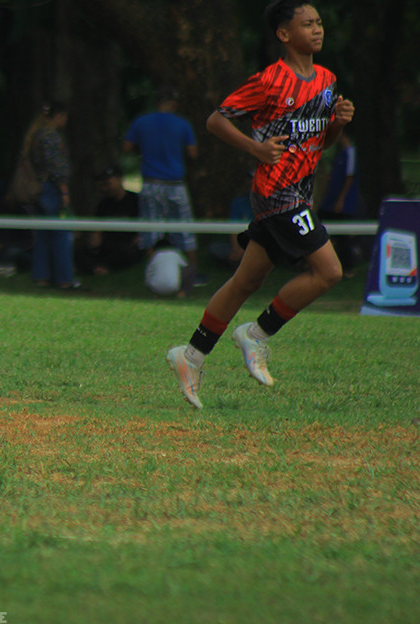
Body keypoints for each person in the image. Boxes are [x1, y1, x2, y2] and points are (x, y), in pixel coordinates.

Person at [167, 0, 354, 410]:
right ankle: (256, 334)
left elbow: (321, 143)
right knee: (329, 271)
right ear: (284, 34)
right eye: (307, 24)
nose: (317, 29)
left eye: (319, 22)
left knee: (245, 281)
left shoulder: (327, 80)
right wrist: (256, 148)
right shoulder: (270, 80)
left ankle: (191, 355)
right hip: (278, 193)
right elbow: (216, 120)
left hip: (299, 193)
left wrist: (338, 122)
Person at [123, 86, 201, 274]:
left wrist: (143, 152)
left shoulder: (141, 122)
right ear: (173, 104)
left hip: (151, 183)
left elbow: (126, 147)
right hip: (175, 183)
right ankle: (192, 271)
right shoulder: (182, 124)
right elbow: (193, 153)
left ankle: (152, 271)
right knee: (184, 227)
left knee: (151, 228)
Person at [25, 102, 75, 289]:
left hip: (38, 188)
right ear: (59, 116)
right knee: (61, 233)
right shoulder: (51, 137)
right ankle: (64, 279)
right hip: (52, 189)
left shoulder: (36, 136)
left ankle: (41, 276)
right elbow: (56, 167)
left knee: (42, 234)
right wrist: (64, 190)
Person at [75, 164, 143, 276]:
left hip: (127, 246)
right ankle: (96, 268)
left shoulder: (135, 201)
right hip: (108, 246)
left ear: (119, 180)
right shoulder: (103, 204)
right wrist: (94, 246)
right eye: (102, 185)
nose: (104, 188)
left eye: (108, 184)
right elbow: (97, 231)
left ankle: (102, 267)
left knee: (125, 252)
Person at [318, 128, 368, 275]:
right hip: (330, 201)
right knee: (321, 226)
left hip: (341, 202)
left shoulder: (350, 152)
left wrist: (341, 199)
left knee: (342, 236)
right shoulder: (340, 154)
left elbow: (350, 177)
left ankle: (347, 268)